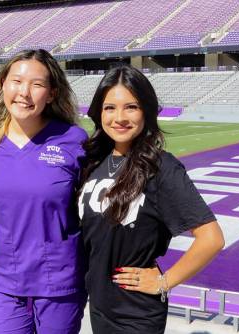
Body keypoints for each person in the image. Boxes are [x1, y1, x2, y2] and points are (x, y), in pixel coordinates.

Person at [78, 65, 225, 333]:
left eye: (131, 107)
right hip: (99, 306)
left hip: (137, 314)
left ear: (146, 110)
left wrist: (164, 281)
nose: (119, 117)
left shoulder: (161, 167)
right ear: (99, 113)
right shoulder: (93, 163)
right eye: (110, 107)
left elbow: (211, 238)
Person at [0, 49, 88, 334]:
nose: (24, 92)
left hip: (58, 284)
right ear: (2, 86)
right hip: (5, 284)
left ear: (51, 93)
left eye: (36, 84)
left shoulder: (73, 140)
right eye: (16, 81)